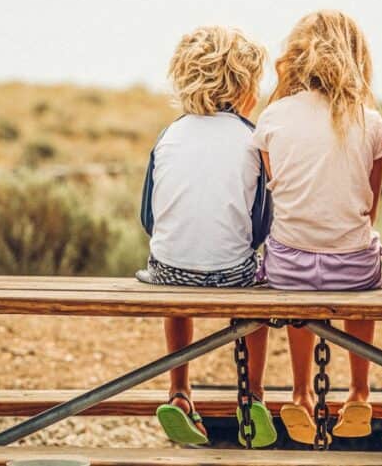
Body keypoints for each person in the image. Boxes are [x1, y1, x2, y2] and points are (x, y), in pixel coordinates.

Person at [252, 10, 382, 444]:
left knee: (298, 269)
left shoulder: (273, 118)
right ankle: (359, 392)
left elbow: (279, 197)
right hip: (352, 267)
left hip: (288, 267)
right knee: (363, 265)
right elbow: (370, 210)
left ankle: (300, 392)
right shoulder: (371, 121)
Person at [137, 25, 276, 447]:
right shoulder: (251, 138)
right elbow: (260, 225)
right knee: (258, 291)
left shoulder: (170, 135)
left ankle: (180, 392)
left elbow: (149, 217)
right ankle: (252, 395)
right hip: (234, 273)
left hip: (168, 271)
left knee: (174, 278)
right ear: (245, 83)